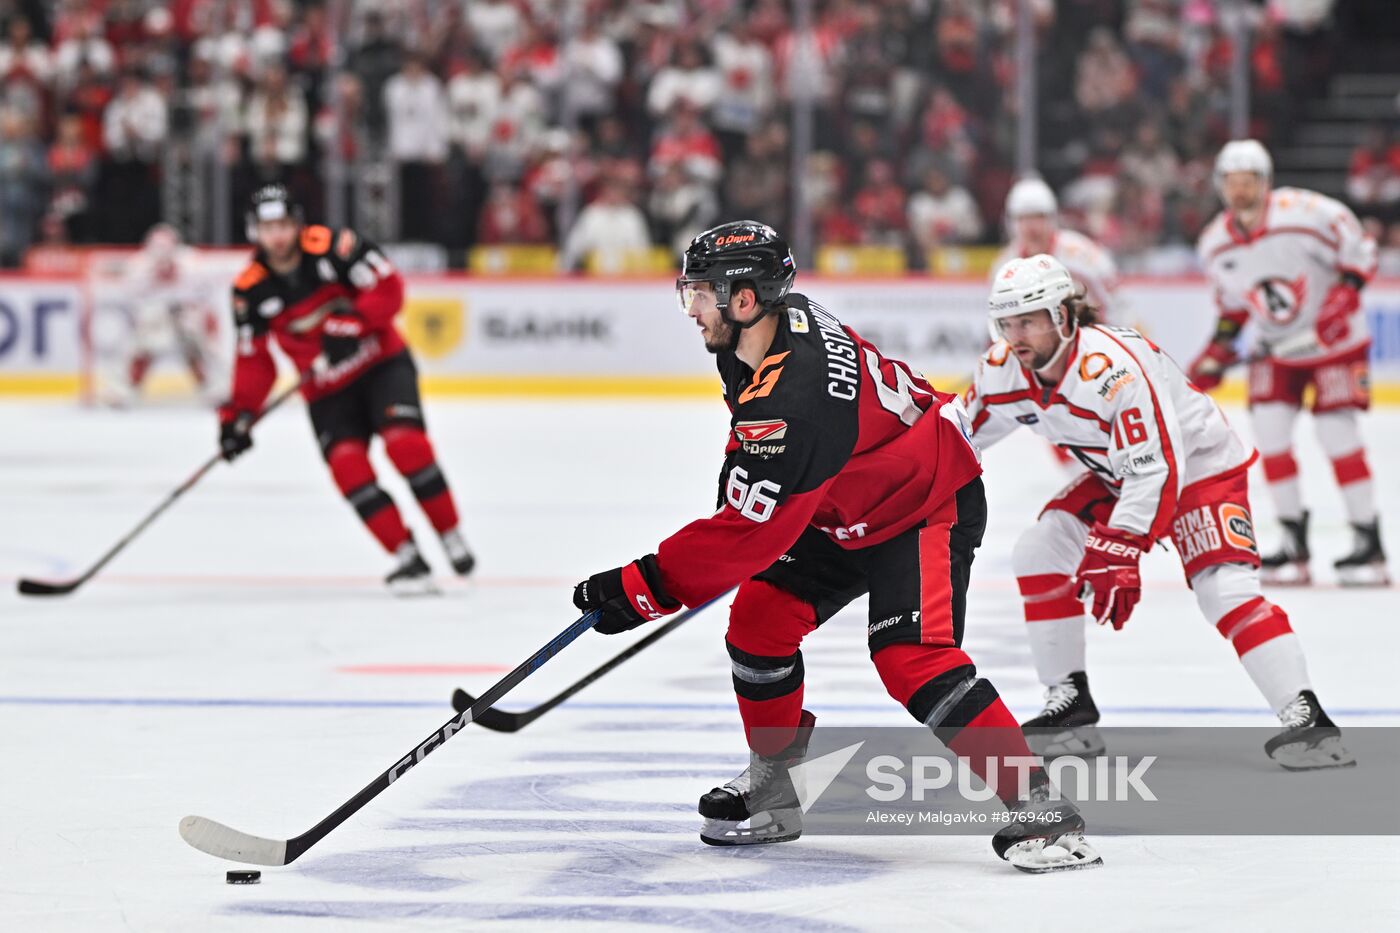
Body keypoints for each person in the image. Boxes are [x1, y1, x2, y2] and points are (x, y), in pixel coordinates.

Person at [571, 221, 1102, 873]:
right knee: (760, 620)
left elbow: (748, 528)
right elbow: (753, 477)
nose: (693, 308)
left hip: (925, 499)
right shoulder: (767, 327)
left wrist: (641, 587)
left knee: (912, 656)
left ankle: (1043, 809)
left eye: (702, 293)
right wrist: (732, 535)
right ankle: (773, 786)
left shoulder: (797, 395)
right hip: (840, 503)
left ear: (745, 298)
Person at [964, 254, 1354, 772]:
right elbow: (959, 436)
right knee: (1037, 552)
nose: (1017, 336)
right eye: (1007, 323)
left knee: (1223, 589)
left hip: (1198, 470)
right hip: (1122, 473)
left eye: (1029, 321)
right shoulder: (1000, 370)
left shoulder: (1112, 371)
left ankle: (1309, 721)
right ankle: (1070, 709)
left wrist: (1119, 546)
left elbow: (1160, 469)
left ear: (1063, 316)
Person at [219, 185, 475, 593]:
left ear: (298, 224)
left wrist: (354, 322)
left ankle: (450, 534)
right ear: (255, 232)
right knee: (347, 466)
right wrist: (238, 415)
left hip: (380, 366)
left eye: (284, 225)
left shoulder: (336, 247)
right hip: (326, 391)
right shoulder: (249, 288)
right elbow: (255, 360)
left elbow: (389, 288)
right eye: (268, 228)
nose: (278, 236)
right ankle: (407, 555)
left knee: (406, 445)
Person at [1192, 140, 1386, 586]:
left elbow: (1360, 250)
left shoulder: (1308, 214)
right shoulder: (1215, 244)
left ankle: (1368, 541)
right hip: (1277, 347)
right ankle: (1293, 541)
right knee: (1271, 435)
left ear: (1266, 182)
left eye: (1249, 181)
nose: (1241, 191)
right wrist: (1217, 351)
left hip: (1336, 343)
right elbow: (1233, 308)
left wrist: (1345, 291)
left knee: (1338, 436)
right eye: (1232, 182)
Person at [102, 224, 219, 406]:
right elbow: (132, 299)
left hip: (186, 315)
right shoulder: (138, 266)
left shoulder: (192, 263)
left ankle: (212, 387)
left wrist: (202, 317)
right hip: (155, 317)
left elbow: (205, 296)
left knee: (198, 347)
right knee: (140, 346)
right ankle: (124, 389)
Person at [993, 177, 1125, 325]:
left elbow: (1116, 308)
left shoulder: (1083, 255)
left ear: (1052, 218)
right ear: (1010, 222)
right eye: (1023, 219)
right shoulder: (1004, 265)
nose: (1031, 227)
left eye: (1039, 217)